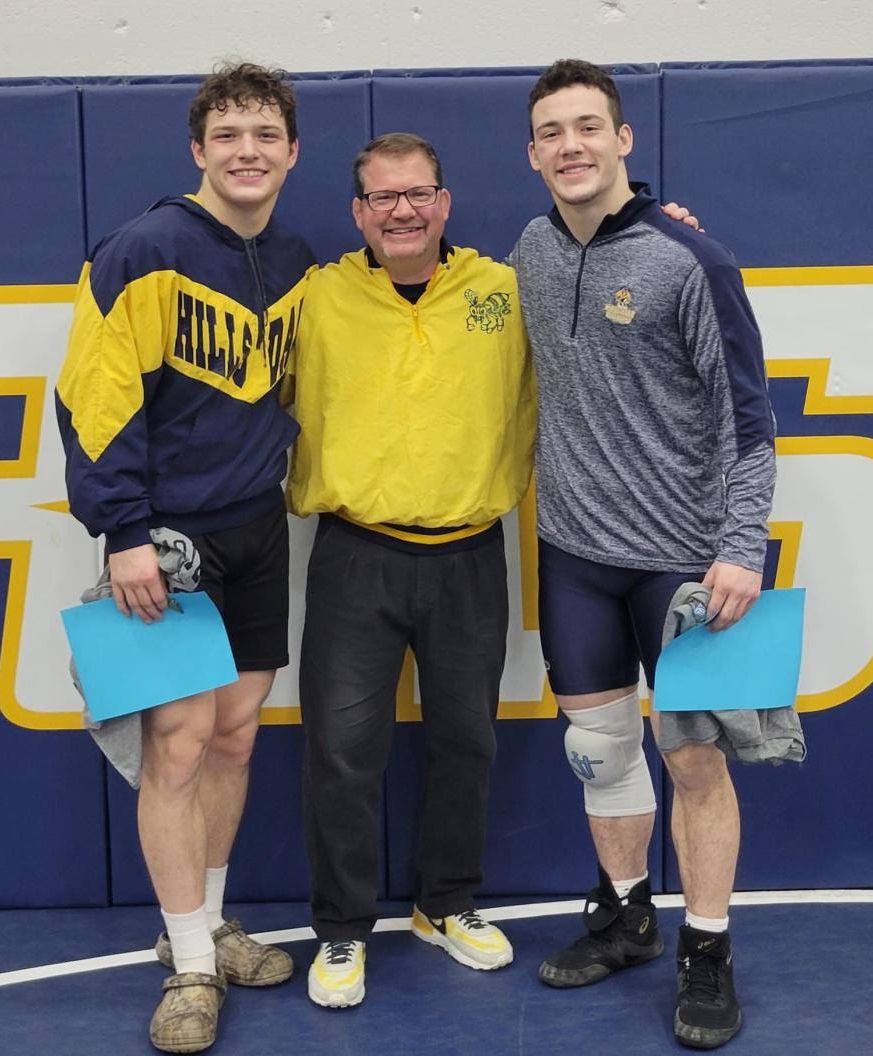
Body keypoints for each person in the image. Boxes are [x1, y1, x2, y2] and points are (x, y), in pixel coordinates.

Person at [509, 59, 778, 1048]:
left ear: (625, 139)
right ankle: (625, 916)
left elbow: (750, 423)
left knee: (696, 760)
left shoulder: (690, 261)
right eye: (552, 131)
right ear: (531, 152)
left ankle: (706, 951)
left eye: (589, 126)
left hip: (682, 565)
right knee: (601, 753)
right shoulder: (532, 248)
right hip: (575, 554)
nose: (571, 145)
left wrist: (741, 545)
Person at [55, 63, 315, 1053]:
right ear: (197, 150)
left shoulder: (295, 258)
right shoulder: (143, 251)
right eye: (229, 134)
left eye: (266, 134)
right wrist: (122, 532)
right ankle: (192, 969)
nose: (248, 150)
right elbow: (92, 399)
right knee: (177, 745)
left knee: (237, 737)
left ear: (291, 152)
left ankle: (204, 925)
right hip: (165, 541)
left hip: (256, 531)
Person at [287, 133, 537, 1008]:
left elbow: (600, 287)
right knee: (344, 752)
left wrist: (666, 223)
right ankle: (344, 931)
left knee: (467, 742)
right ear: (358, 212)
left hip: (471, 554)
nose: (402, 210)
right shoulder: (317, 296)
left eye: (418, 194)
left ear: (445, 201)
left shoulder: (502, 293)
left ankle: (446, 904)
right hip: (357, 553)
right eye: (383, 198)